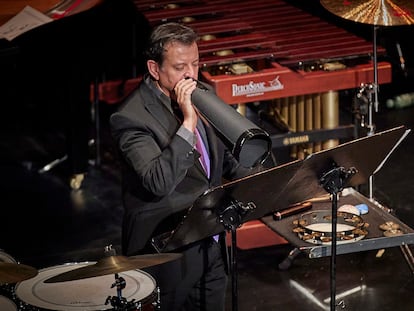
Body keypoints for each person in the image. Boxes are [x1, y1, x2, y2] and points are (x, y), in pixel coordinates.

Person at [109, 22, 264, 311]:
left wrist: (266, 184)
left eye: (195, 63)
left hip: (211, 240)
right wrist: (188, 124)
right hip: (165, 251)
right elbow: (159, 181)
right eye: (180, 67)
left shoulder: (201, 93)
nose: (191, 74)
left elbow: (227, 160)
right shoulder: (129, 118)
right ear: (155, 69)